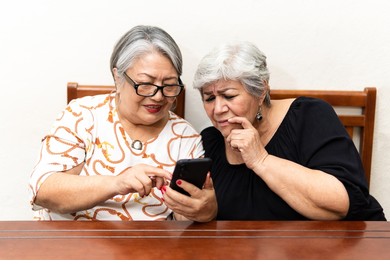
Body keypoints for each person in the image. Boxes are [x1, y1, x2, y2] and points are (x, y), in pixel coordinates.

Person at [28, 25, 213, 221]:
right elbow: (43, 191)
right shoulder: (83, 115)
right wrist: (116, 183)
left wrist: (201, 210)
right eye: (146, 84)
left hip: (150, 249)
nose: (158, 97)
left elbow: (182, 222)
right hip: (74, 244)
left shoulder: (185, 136)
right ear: (118, 77)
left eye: (169, 86)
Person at [191, 41, 386, 221]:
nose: (217, 109)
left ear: (260, 92)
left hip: (346, 245)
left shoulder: (309, 116)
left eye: (229, 96)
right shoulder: (210, 142)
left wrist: (261, 160)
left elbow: (342, 203)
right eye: (209, 98)